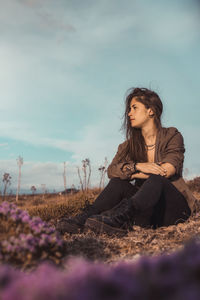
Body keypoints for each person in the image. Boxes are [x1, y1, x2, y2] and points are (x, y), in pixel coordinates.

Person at [56, 87, 197, 236]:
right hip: (147, 210)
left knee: (157, 179)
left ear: (151, 110)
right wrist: (137, 167)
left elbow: (167, 170)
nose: (129, 113)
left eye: (134, 108)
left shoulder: (172, 135)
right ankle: (84, 219)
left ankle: (120, 219)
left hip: (174, 209)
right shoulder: (128, 146)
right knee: (118, 183)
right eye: (129, 109)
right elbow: (112, 171)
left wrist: (132, 173)